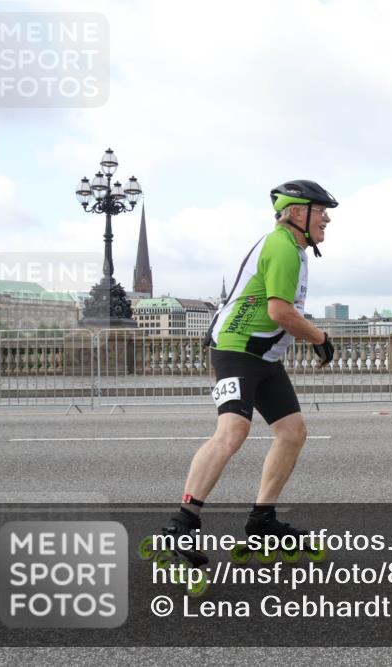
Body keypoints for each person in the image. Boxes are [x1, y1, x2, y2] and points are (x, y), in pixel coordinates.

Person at [149, 180, 339, 580]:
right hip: (237, 349)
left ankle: (262, 520)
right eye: (320, 210)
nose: (327, 217)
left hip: (264, 355)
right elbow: (279, 312)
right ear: (297, 213)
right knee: (232, 432)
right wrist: (321, 339)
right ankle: (180, 524)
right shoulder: (283, 247)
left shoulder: (295, 250)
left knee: (293, 432)